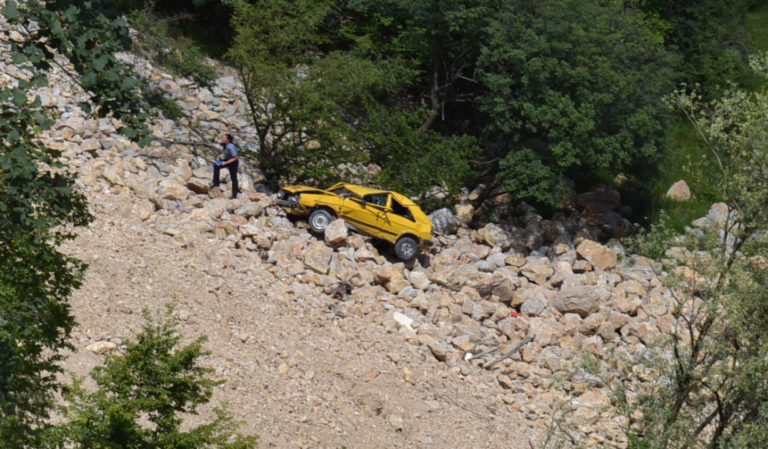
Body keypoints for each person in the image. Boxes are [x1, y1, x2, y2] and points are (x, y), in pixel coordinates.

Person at [211, 133, 239, 199]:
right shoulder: (225, 145)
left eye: (224, 138)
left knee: (234, 178)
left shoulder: (231, 146)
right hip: (227, 160)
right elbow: (225, 152)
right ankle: (216, 183)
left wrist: (226, 162)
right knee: (216, 165)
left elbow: (235, 158)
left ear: (228, 140)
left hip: (233, 163)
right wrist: (222, 156)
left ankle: (234, 195)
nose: (222, 139)